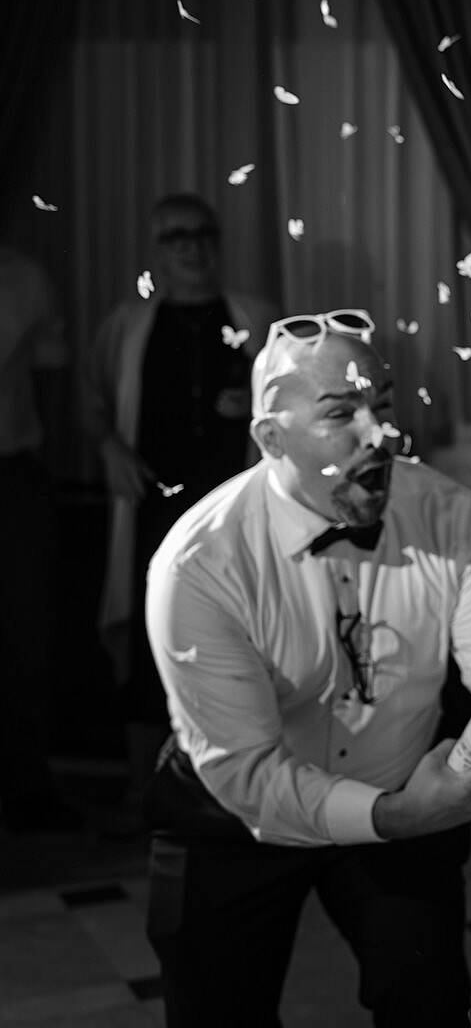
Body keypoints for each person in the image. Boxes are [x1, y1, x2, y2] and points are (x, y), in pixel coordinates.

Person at [144, 309, 471, 1028]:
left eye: (385, 401)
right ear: (271, 439)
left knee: (434, 1022)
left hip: (399, 784)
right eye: (343, 412)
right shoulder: (198, 566)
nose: (384, 434)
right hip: (233, 813)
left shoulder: (449, 515)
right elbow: (247, 772)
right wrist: (399, 816)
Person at [86, 193, 274, 831]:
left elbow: (293, 399)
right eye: (176, 237)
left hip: (235, 517)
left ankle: (238, 784)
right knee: (147, 645)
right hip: (150, 514)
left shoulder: (256, 318)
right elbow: (90, 403)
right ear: (158, 250)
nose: (192, 247)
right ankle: (148, 789)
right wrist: (109, 447)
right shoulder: (127, 326)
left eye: (202, 233)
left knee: (238, 637)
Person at [0, 242, 77, 832]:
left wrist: (46, 461)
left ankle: (28, 784)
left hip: (13, 469)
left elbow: (52, 371)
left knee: (27, 632)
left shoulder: (24, 275)